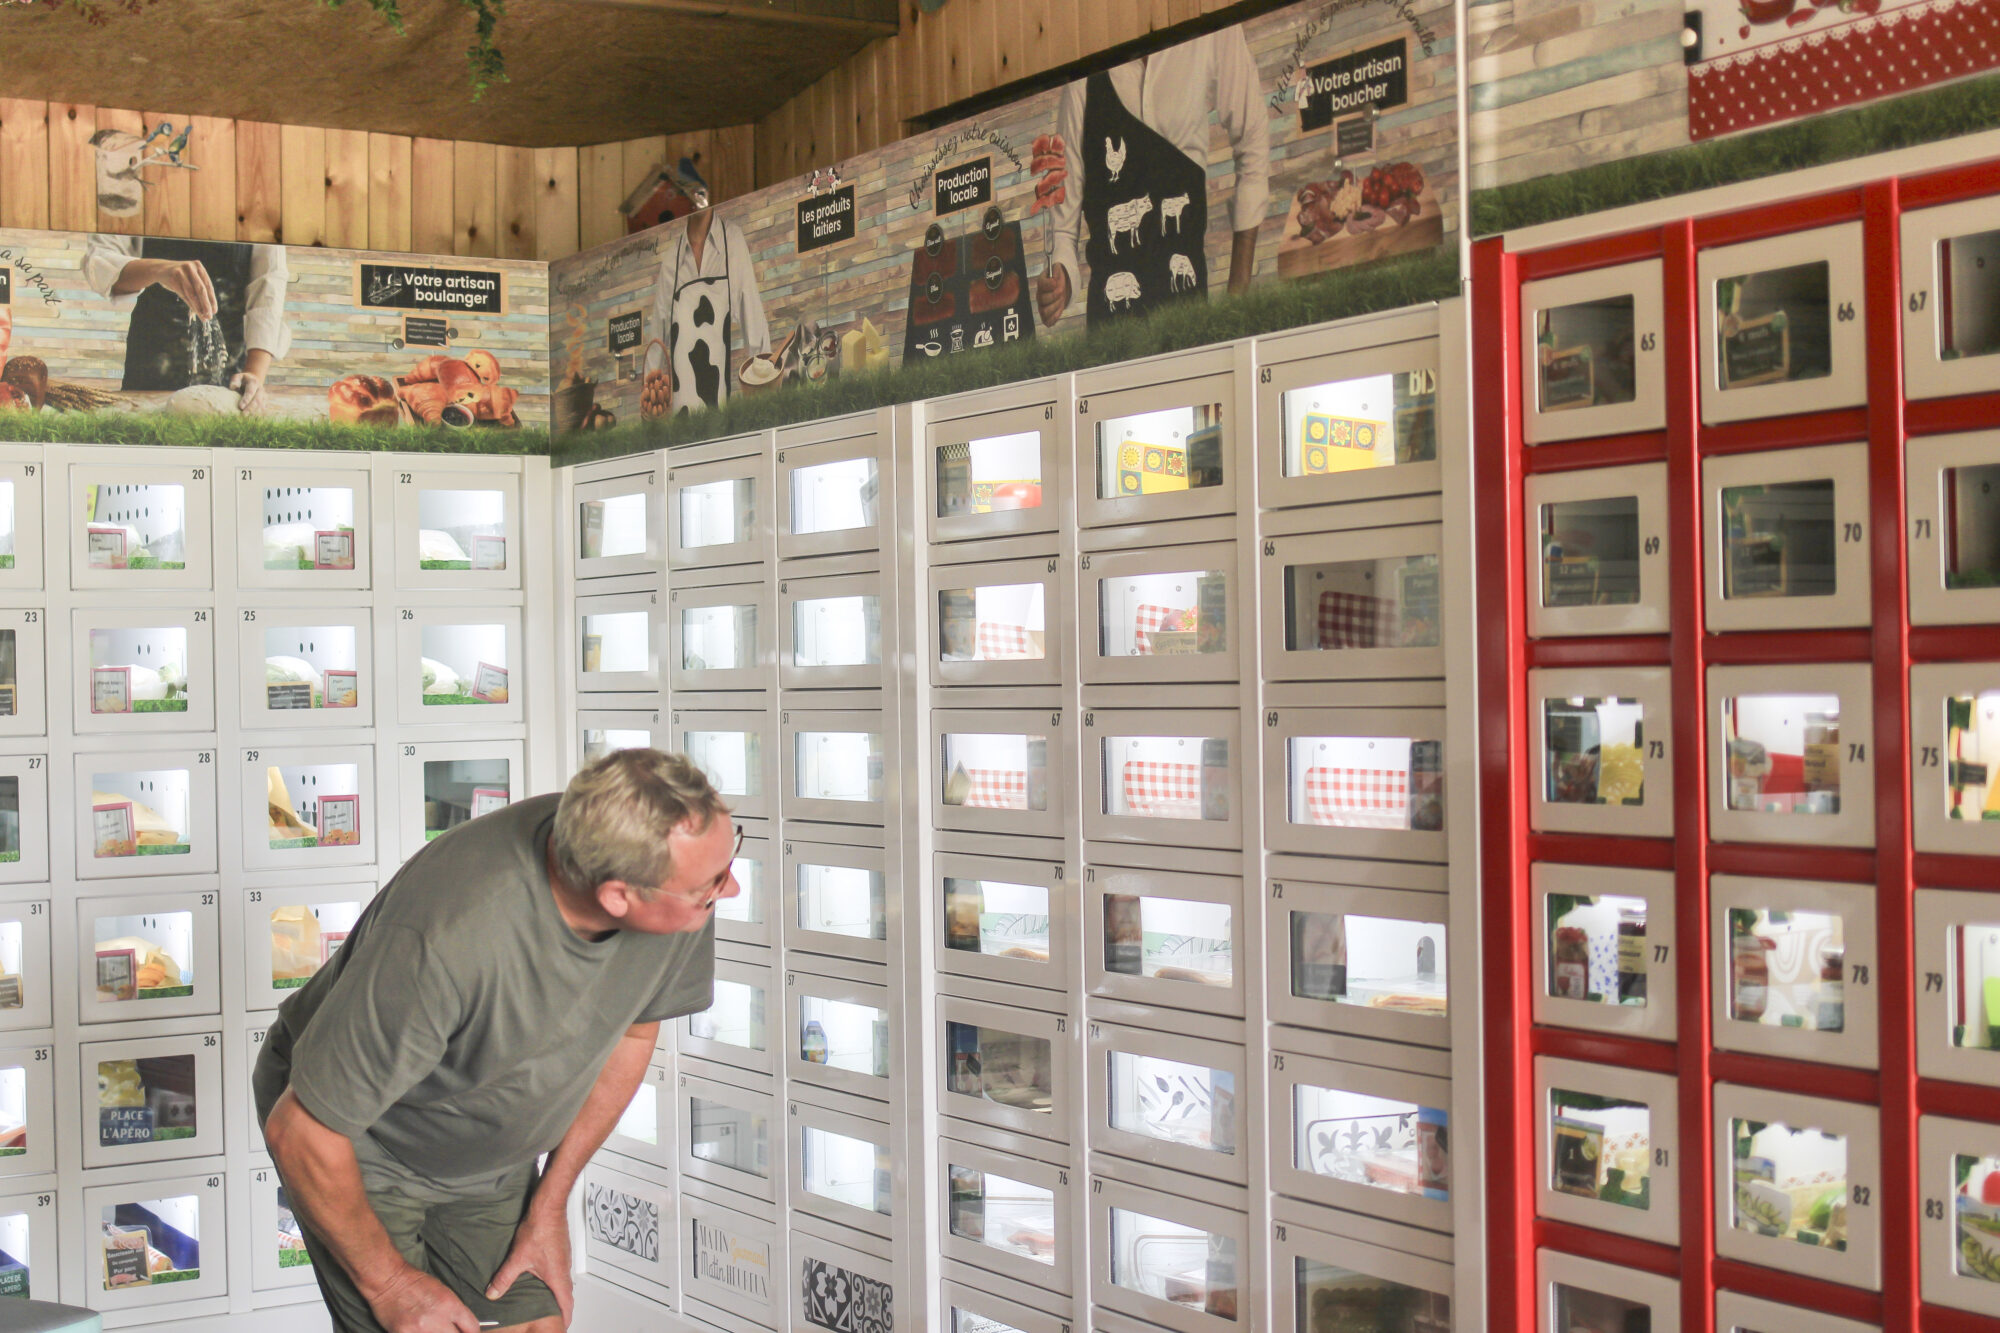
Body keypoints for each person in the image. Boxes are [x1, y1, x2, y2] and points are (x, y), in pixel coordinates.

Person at [254, 749, 738, 1333]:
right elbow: (302, 1131)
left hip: (487, 1150)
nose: (730, 888)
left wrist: (549, 1203)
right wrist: (391, 1286)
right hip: (359, 1138)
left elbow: (632, 1031)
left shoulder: (676, 875)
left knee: (536, 1324)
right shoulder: (446, 939)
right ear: (617, 896)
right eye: (712, 885)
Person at [1035, 28, 1271, 329]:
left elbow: (1252, 139)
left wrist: (1238, 297)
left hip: (1189, 326)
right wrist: (1061, 281)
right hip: (1111, 335)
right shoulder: (1084, 60)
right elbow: (1063, 228)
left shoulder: (1208, 30)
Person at [81, 235, 291, 411]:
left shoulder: (259, 204)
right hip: (150, 367)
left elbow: (269, 287)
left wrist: (254, 374)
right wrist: (158, 270)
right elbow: (99, 262)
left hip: (230, 375)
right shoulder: (138, 199)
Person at [651, 205, 771, 415]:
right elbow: (656, 347)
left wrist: (765, 388)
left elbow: (754, 324)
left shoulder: (731, 240)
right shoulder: (672, 259)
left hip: (719, 411)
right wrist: (651, 409)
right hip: (681, 415)